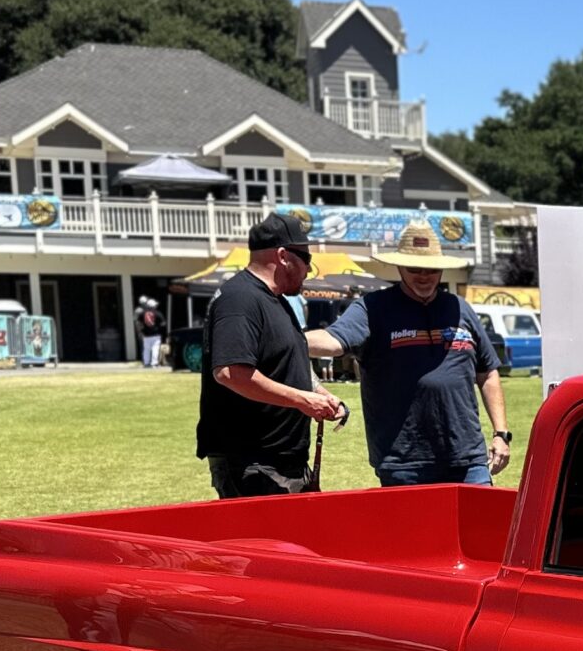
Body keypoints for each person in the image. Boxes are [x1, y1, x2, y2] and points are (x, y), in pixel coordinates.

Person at [308, 221, 512, 485]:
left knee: (481, 514)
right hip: (404, 461)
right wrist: (285, 338)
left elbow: (487, 372)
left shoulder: (460, 308)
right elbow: (333, 340)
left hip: (467, 459)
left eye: (431, 269)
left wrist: (501, 433)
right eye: (414, 269)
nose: (424, 276)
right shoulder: (373, 308)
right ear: (399, 268)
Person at [195, 213, 345, 497]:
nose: (309, 269)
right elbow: (230, 373)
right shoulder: (239, 299)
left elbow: (289, 361)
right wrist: (303, 400)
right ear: (283, 256)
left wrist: (320, 393)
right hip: (253, 464)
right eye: (306, 259)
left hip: (282, 462)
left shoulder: (276, 300)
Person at [136, 294, 164, 369]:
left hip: (146, 334)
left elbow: (138, 322)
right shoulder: (157, 313)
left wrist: (141, 331)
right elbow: (163, 323)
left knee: (146, 349)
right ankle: (154, 363)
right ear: (153, 306)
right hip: (155, 334)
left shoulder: (142, 313)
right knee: (155, 349)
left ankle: (146, 363)